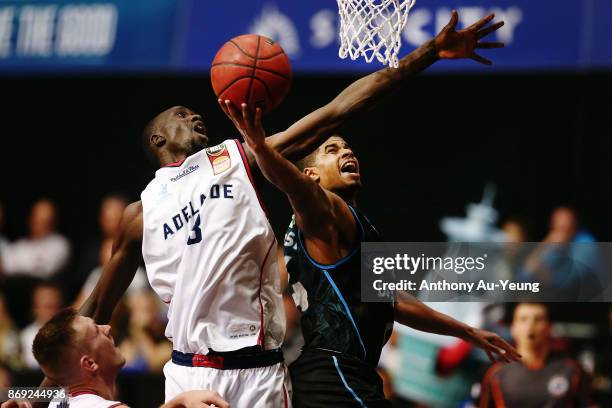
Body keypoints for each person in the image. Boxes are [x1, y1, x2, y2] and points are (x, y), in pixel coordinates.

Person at [60, 9, 505, 408]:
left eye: (197, 114)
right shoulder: (140, 212)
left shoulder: (237, 159)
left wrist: (425, 55)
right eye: (180, 114)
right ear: (157, 140)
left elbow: (337, 111)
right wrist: (36, 396)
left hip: (260, 370)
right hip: (188, 370)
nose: (195, 117)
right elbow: (91, 311)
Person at [222, 12, 521, 408]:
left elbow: (391, 301)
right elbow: (292, 184)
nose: (346, 151)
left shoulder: (341, 223)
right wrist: (261, 149)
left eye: (348, 147)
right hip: (336, 380)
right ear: (312, 174)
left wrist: (465, 331)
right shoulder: (323, 208)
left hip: (332, 377)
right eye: (332, 149)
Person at [6, 308, 227, 408]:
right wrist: (182, 400)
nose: (108, 327)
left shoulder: (59, 400)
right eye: (96, 331)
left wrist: (24, 399)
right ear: (89, 363)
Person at [479, 303, 590, 407]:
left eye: (538, 319)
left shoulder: (571, 369)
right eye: (523, 319)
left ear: (549, 327)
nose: (530, 325)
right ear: (513, 328)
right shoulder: (495, 371)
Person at [0, 199, 70, 279]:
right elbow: (4, 267)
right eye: (37, 219)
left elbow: (45, 270)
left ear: (53, 222)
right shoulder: (18, 246)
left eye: (45, 220)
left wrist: (16, 266)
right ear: (30, 219)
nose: (40, 224)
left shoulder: (60, 244)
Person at [20, 282, 64, 368]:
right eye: (48, 306)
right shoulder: (25, 337)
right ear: (35, 308)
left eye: (56, 306)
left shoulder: (72, 335)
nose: (52, 311)